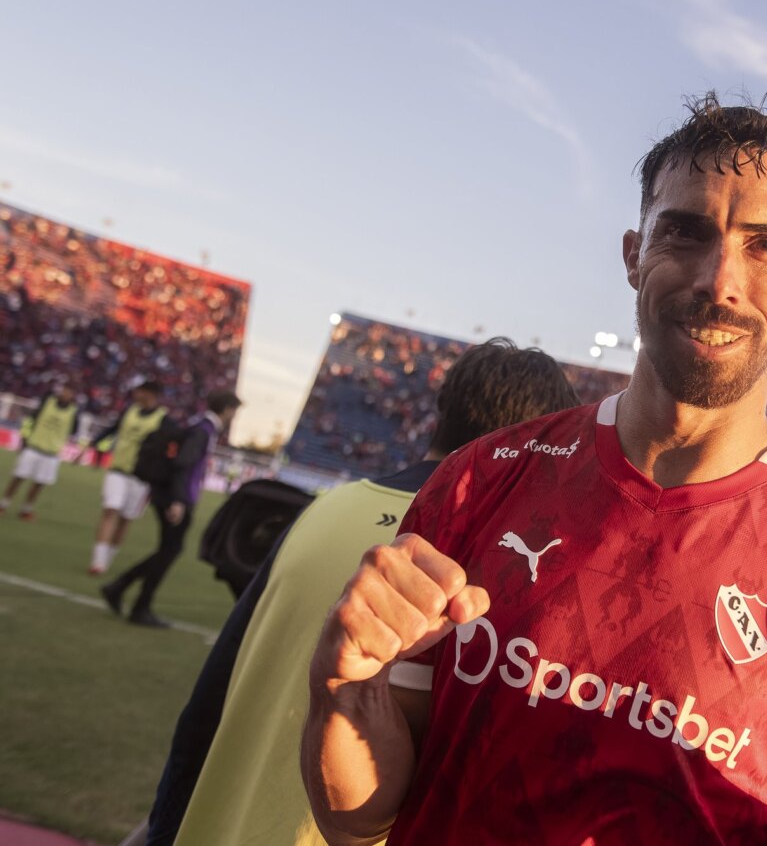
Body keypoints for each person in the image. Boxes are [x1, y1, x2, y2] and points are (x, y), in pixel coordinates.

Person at [302, 94, 767, 846]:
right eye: (685, 233)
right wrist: (342, 691)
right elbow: (359, 817)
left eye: (763, 246)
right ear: (634, 256)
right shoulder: (480, 479)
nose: (719, 281)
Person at [143, 338, 580, 846]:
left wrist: (163, 831)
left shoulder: (321, 509)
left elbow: (206, 704)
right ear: (542, 441)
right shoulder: (492, 565)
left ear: (440, 412)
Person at [100, 390, 241, 628]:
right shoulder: (203, 430)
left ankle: (123, 590)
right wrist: (178, 500)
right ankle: (136, 603)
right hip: (176, 498)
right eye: (234, 411)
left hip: (171, 495)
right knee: (170, 550)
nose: (235, 416)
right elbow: (183, 464)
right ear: (227, 409)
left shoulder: (200, 426)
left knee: (168, 550)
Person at [80, 380, 169, 575]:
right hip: (118, 470)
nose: (135, 394)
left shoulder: (163, 420)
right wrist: (91, 445)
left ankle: (108, 557)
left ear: (149, 393)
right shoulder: (129, 411)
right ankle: (98, 561)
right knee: (111, 510)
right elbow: (112, 429)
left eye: (139, 391)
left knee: (125, 519)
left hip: (141, 478)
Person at [0, 383, 79, 520]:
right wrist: (24, 440)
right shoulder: (47, 401)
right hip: (34, 447)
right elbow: (31, 420)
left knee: (39, 483)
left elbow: (73, 431)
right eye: (65, 390)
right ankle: (3, 504)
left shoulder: (74, 412)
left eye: (70, 392)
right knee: (18, 477)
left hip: (51, 453)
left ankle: (26, 509)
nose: (66, 394)